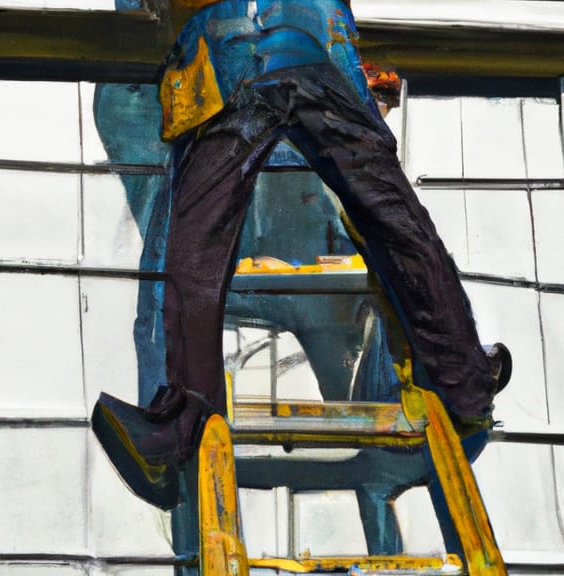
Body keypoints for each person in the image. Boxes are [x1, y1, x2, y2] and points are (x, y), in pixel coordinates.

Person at [92, 0, 509, 510]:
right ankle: (465, 379)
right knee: (391, 213)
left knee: (199, 241)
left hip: (236, 54)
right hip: (315, 51)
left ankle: (182, 426)